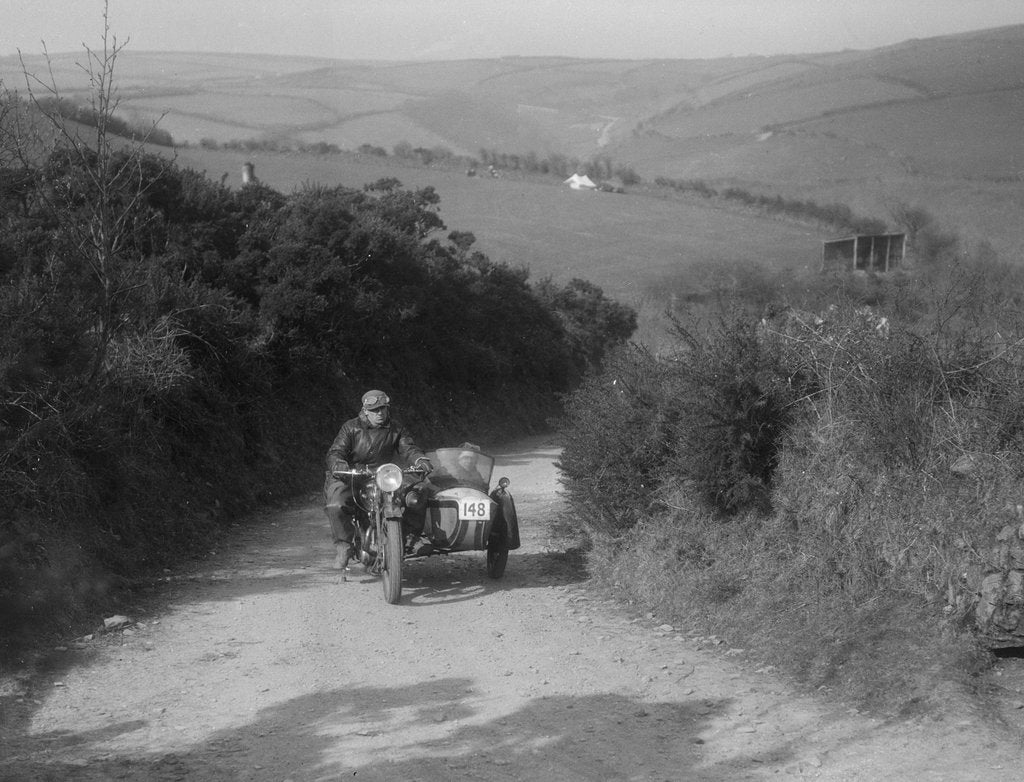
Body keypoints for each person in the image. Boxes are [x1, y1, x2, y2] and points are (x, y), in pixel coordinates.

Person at [323, 390, 432, 572]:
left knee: (417, 493)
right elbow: (336, 451)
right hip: (353, 476)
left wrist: (420, 459)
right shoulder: (351, 428)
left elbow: (409, 448)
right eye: (375, 410)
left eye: (383, 409)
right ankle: (343, 547)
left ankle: (411, 538)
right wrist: (340, 464)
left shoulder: (396, 429)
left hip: (385, 476)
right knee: (336, 504)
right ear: (365, 411)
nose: (380, 413)